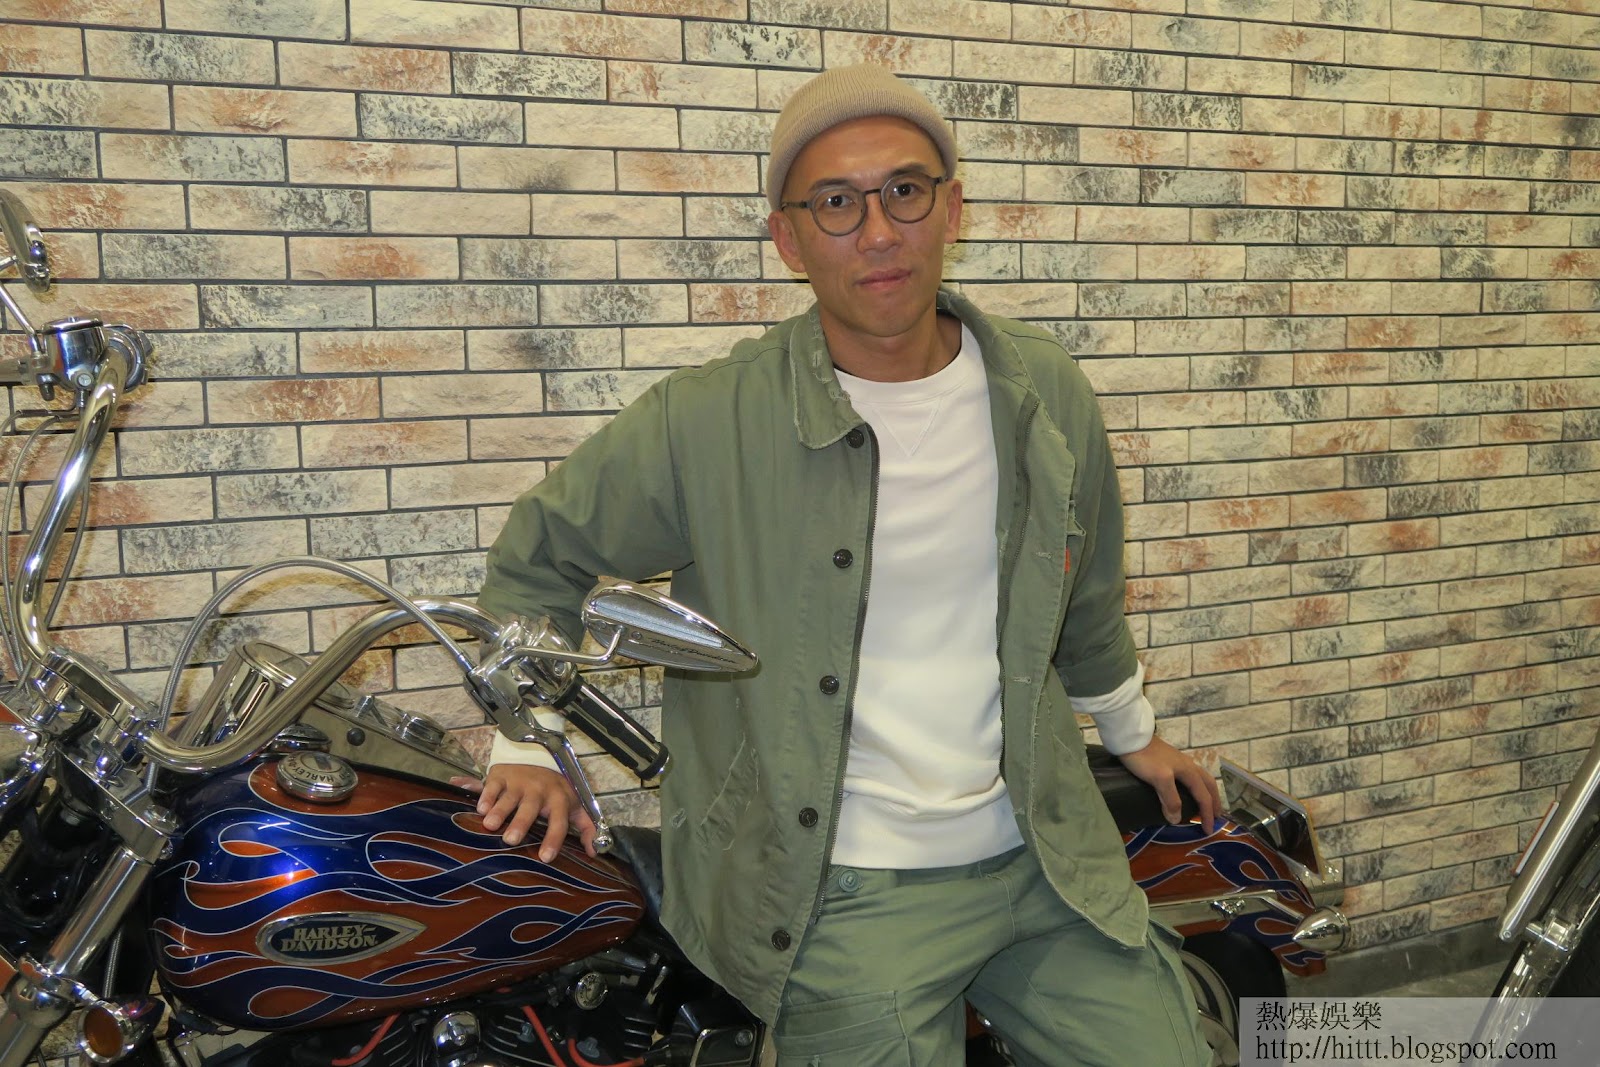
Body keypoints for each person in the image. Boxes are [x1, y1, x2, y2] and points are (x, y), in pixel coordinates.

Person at [470, 63, 1218, 1066]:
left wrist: (1133, 732)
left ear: (952, 207)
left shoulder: (1041, 391)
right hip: (842, 886)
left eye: (904, 190)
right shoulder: (709, 420)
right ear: (788, 239)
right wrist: (527, 740)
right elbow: (540, 557)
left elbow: (1083, 596)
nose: (877, 231)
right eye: (835, 203)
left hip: (1044, 857)